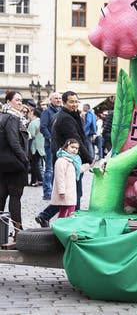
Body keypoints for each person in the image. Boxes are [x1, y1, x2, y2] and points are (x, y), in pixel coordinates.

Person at [36, 91, 91, 227]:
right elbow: (76, 140)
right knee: (74, 193)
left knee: (68, 193)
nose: (74, 104)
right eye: (71, 102)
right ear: (64, 103)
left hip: (67, 158)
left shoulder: (67, 115)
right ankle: (73, 223)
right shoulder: (65, 118)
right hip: (69, 160)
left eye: (76, 101)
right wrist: (89, 158)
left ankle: (45, 216)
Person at [0, 91, 30, 234]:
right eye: (17, 100)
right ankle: (18, 230)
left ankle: (2, 232)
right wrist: (24, 159)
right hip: (14, 165)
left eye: (21, 100)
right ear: (8, 102)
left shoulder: (2, 117)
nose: (20, 102)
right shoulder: (12, 118)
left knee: (1, 197)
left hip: (3, 164)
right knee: (15, 198)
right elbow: (14, 142)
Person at [51, 139, 91, 219]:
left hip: (70, 191)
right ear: (66, 147)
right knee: (70, 211)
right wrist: (61, 191)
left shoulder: (73, 160)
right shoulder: (61, 160)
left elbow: (78, 169)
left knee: (64, 209)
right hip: (65, 191)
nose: (74, 150)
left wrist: (88, 166)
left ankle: (60, 225)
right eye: (72, 147)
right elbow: (59, 177)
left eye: (76, 148)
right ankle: (69, 226)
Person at [40, 92, 62, 200]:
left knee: (58, 169)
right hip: (50, 145)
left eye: (60, 98)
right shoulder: (46, 112)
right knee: (49, 169)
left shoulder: (62, 111)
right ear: (51, 100)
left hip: (61, 145)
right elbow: (43, 127)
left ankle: (55, 191)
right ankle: (47, 192)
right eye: (56, 98)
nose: (58, 100)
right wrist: (51, 138)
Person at [26, 108, 45, 186]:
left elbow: (31, 135)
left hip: (35, 146)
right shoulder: (41, 121)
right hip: (42, 145)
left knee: (34, 164)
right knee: (36, 163)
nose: (28, 115)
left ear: (33, 113)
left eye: (29, 113)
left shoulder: (33, 123)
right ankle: (34, 181)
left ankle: (40, 179)